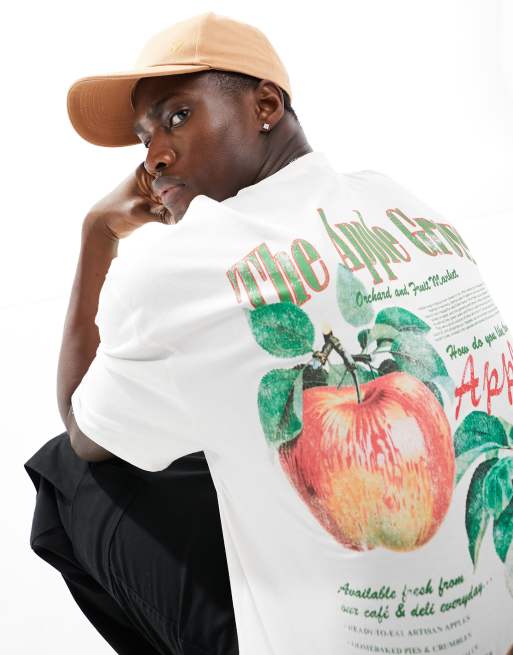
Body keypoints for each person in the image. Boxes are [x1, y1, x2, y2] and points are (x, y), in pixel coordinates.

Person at [25, 9, 513, 655]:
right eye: (144, 140)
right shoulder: (395, 198)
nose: (155, 157)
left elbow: (83, 430)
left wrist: (97, 233)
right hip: (499, 629)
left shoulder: (185, 261)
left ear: (265, 106)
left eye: (177, 116)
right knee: (210, 428)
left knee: (64, 468)